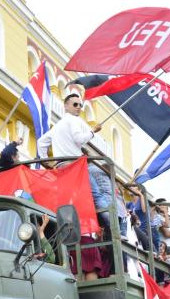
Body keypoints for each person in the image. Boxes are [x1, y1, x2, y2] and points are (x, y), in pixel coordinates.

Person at [37, 93, 127, 239]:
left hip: (61, 168)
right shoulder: (73, 120)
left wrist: (46, 161)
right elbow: (79, 139)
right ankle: (114, 226)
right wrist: (93, 132)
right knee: (96, 196)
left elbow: (41, 143)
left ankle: (68, 231)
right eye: (75, 104)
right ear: (66, 106)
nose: (79, 108)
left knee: (68, 201)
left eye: (80, 105)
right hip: (75, 167)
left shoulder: (57, 126)